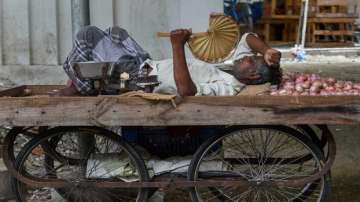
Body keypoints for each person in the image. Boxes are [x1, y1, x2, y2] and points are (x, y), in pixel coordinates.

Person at [58, 26, 281, 97]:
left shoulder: (229, 87)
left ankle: (81, 85)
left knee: (88, 35)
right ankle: (80, 79)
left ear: (252, 75)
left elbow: (186, 92)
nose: (245, 57)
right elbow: (247, 38)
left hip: (142, 79)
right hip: (147, 65)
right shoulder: (234, 67)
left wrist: (177, 46)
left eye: (251, 59)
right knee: (115, 33)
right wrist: (267, 50)